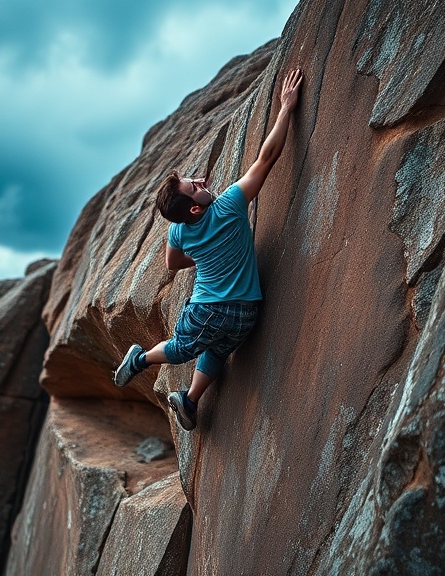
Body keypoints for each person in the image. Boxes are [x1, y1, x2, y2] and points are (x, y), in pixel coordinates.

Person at [113, 68, 303, 431]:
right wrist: (285, 109)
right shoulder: (229, 204)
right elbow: (267, 157)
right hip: (234, 311)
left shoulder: (179, 231)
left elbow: (172, 263)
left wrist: (202, 256)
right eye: (194, 186)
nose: (201, 181)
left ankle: (188, 400)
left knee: (211, 348)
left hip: (227, 311)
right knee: (184, 348)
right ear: (195, 208)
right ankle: (140, 359)